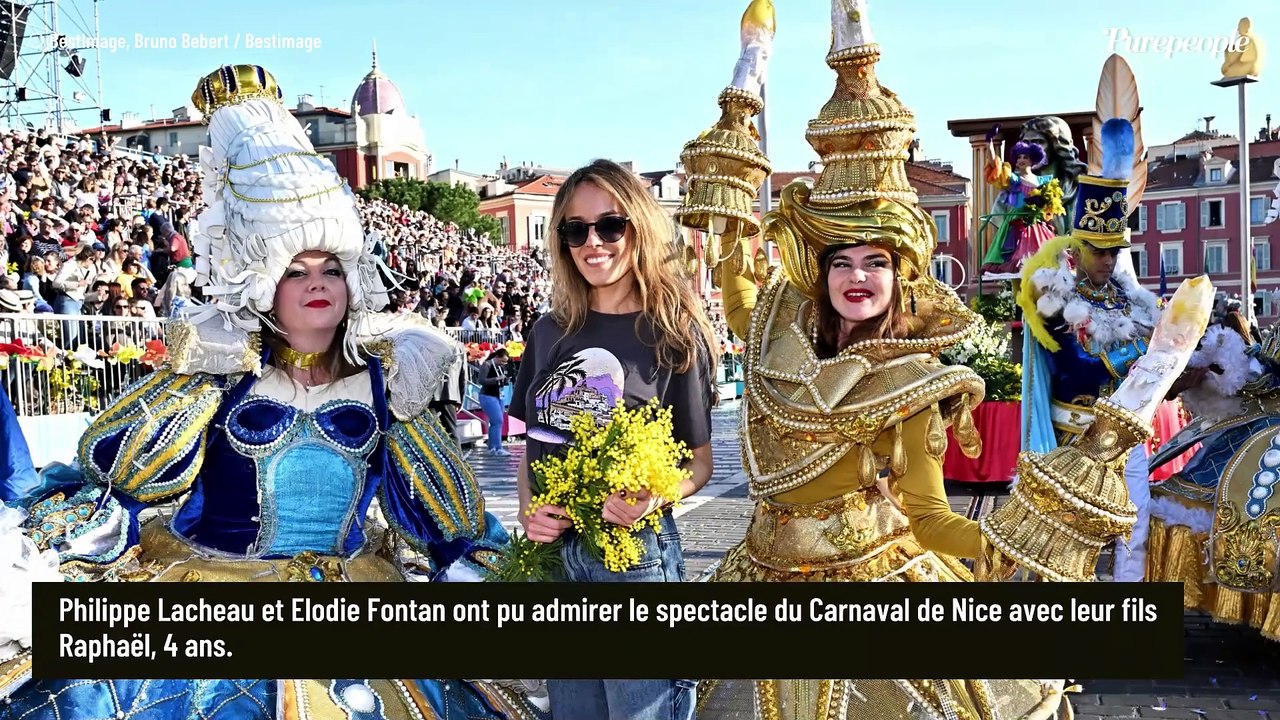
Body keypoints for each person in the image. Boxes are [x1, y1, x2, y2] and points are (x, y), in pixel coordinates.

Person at [674, 4, 1204, 716]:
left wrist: (1000, 544)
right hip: (756, 580)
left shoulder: (911, 385)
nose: (858, 276)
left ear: (900, 277)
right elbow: (736, 279)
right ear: (820, 270)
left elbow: (926, 515)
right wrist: (739, 132)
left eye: (876, 263)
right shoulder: (774, 327)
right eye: (843, 262)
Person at [0, 64, 544, 720]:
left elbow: (451, 528)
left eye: (331, 267)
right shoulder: (216, 377)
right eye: (295, 268)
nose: (318, 282)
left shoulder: (387, 383)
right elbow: (116, 494)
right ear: (259, 283)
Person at [508, 159, 716, 720]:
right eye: (574, 230)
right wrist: (531, 514)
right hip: (556, 558)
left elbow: (698, 463)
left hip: (635, 559)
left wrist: (655, 495)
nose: (592, 243)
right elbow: (532, 443)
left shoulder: (673, 333)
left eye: (609, 226)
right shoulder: (549, 331)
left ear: (638, 228)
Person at [1017, 118, 1162, 583]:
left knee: (1132, 528)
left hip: (1127, 439)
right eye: (1098, 250)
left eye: (1113, 251)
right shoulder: (1053, 298)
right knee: (1064, 535)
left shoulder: (1131, 299)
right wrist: (1136, 359)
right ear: (1077, 249)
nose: (1107, 259)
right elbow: (1074, 368)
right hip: (1072, 436)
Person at [979, 135, 1064, 279]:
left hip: (1037, 226)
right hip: (1015, 225)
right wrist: (990, 144)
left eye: (1025, 157)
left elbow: (1052, 208)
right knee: (1016, 269)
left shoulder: (1044, 181)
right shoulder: (1013, 179)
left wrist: (1042, 204)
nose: (1021, 160)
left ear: (1032, 160)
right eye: (1019, 157)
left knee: (1044, 267)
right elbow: (995, 167)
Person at [478, 347, 512, 456]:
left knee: (495, 423)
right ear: (497, 357)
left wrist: (506, 380)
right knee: (498, 421)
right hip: (488, 395)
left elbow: (502, 381)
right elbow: (482, 380)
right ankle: (498, 447)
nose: (503, 363)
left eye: (505, 362)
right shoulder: (487, 365)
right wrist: (496, 379)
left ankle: (492, 447)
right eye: (502, 361)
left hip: (499, 396)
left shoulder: (501, 367)